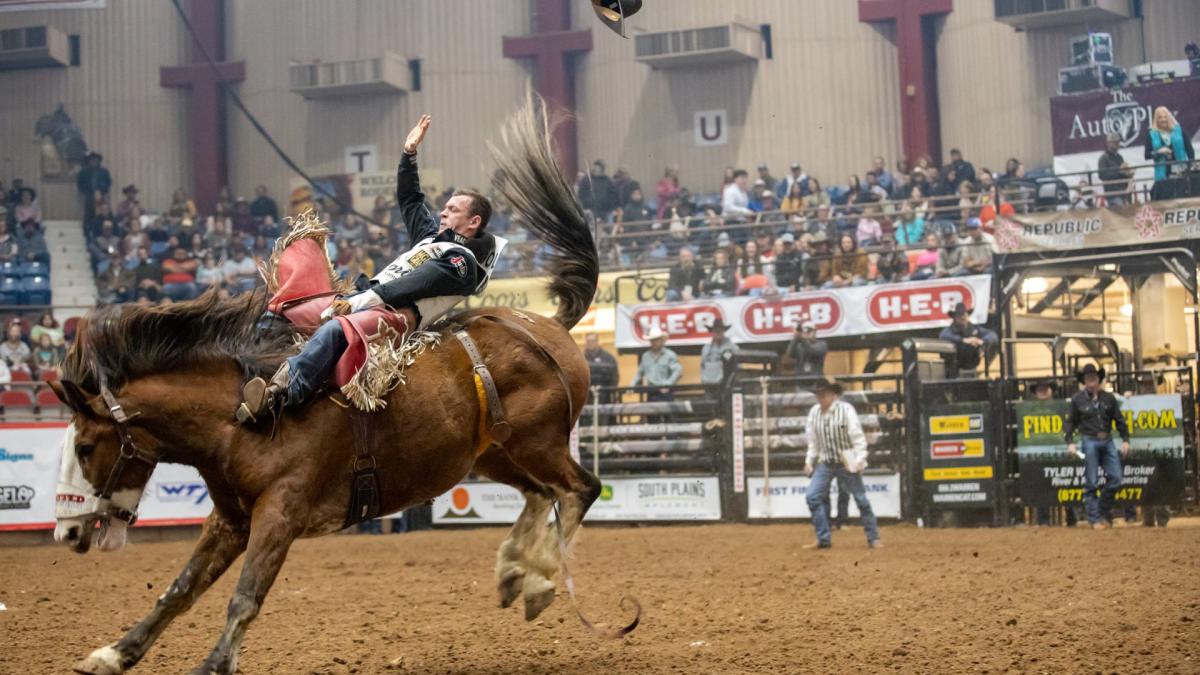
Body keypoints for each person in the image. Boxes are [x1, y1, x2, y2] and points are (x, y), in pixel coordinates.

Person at [238, 114, 502, 423]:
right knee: (283, 309)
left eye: (453, 209)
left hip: (397, 315)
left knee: (337, 329)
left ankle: (281, 394)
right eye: (445, 206)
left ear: (474, 222)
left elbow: (410, 286)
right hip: (366, 299)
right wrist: (408, 155)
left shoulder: (462, 263)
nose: (443, 211)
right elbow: (411, 199)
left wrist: (353, 303)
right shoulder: (431, 238)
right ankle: (246, 372)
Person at [803, 378, 881, 550]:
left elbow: (857, 437)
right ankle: (823, 537)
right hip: (826, 460)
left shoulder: (845, 410)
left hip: (846, 459)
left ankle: (873, 537)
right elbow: (813, 441)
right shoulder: (814, 413)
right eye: (818, 394)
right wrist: (809, 461)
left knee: (861, 498)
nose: (820, 397)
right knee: (812, 496)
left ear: (832, 394)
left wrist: (860, 459)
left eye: (824, 393)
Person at [1064, 364, 1131, 529]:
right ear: (1084, 381)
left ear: (1098, 379)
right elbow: (1070, 423)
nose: (1091, 380)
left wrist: (1125, 439)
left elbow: (1119, 420)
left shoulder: (1109, 398)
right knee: (1092, 482)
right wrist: (1070, 442)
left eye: (1093, 376)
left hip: (1106, 439)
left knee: (1116, 478)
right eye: (1088, 377)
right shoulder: (1077, 400)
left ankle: (1099, 511)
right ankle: (1095, 519)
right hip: (1089, 440)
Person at [1144, 107, 1195, 201]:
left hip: (1181, 172)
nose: (1163, 120)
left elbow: (1190, 150)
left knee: (1182, 197)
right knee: (1165, 199)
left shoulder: (1179, 131)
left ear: (1169, 117)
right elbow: (1146, 155)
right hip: (1162, 175)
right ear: (1156, 119)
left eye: (1165, 117)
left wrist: (1190, 166)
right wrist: (1158, 152)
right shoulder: (1151, 134)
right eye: (1160, 117)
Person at [939, 302, 998, 378]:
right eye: (959, 315)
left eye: (964, 314)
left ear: (967, 315)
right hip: (955, 371)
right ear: (955, 317)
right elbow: (943, 335)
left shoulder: (975, 329)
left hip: (972, 367)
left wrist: (982, 341)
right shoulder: (950, 330)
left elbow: (993, 336)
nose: (962, 317)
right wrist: (963, 340)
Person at [632, 326, 682, 402]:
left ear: (661, 340)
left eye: (656, 340)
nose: (654, 342)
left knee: (666, 413)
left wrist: (668, 384)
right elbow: (639, 373)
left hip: (666, 393)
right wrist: (632, 385)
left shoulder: (669, 355)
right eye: (652, 340)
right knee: (651, 412)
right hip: (651, 392)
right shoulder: (646, 356)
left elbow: (678, 371)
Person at [1097, 133, 1133, 206]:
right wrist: (1120, 171)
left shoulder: (1119, 157)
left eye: (1118, 142)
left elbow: (1122, 173)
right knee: (1122, 211)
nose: (1118, 145)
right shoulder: (1103, 158)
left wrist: (1128, 174)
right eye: (1115, 142)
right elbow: (1102, 175)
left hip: (1123, 192)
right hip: (1112, 193)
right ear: (1109, 143)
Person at [699, 318, 739, 385]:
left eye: (720, 330)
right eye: (715, 330)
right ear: (712, 332)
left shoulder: (732, 347)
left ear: (723, 331)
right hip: (709, 382)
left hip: (727, 383)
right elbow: (702, 365)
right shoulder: (706, 348)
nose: (718, 332)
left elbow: (738, 364)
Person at [75, 152, 112, 221]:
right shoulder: (83, 172)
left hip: (101, 196)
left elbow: (109, 182)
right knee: (88, 215)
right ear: (88, 161)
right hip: (89, 197)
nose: (93, 161)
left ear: (98, 161)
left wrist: (103, 191)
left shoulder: (104, 171)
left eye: (95, 159)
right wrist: (85, 192)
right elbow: (79, 184)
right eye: (91, 160)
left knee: (103, 213)